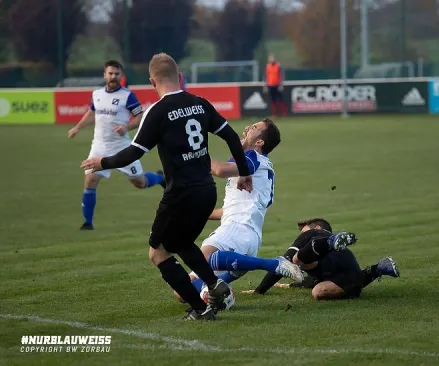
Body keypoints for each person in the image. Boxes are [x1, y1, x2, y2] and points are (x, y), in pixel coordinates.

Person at [81, 52, 256, 321]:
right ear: (180, 78)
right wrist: (244, 173)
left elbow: (132, 154)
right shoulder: (200, 103)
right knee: (181, 242)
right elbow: (232, 137)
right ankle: (214, 285)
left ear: (152, 82)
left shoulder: (158, 112)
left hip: (180, 195)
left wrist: (100, 162)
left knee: (158, 252)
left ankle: (200, 308)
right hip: (206, 191)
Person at [171, 119, 305, 303]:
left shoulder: (253, 158)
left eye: (255, 127)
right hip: (244, 235)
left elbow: (218, 169)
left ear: (260, 142)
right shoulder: (253, 164)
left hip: (239, 230)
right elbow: (229, 210)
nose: (248, 128)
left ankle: (273, 264)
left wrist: (194, 156)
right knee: (182, 292)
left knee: (205, 256)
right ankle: (228, 279)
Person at [68, 60, 165, 230]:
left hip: (121, 147)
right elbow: (92, 112)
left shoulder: (127, 96)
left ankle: (160, 178)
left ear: (121, 76)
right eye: (110, 73)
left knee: (139, 182)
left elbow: (140, 116)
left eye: (116, 74)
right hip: (99, 146)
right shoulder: (97, 94)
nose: (113, 76)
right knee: (90, 179)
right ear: (105, 75)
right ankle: (88, 222)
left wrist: (126, 127)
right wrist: (77, 127)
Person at [245, 218, 400, 300]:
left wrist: (259, 291)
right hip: (353, 282)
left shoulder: (313, 234)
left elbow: (284, 262)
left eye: (303, 230)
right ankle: (377, 268)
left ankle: (328, 244)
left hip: (338, 273)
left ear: (317, 228)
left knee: (295, 259)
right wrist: (290, 286)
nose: (300, 234)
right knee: (317, 289)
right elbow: (311, 279)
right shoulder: (330, 253)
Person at [263, 53, 287, 118]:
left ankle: (284, 114)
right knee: (273, 100)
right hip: (270, 85)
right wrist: (265, 85)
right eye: (270, 58)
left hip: (277, 85)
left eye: (272, 58)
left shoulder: (278, 65)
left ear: (274, 58)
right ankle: (275, 114)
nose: (271, 59)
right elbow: (266, 76)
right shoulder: (267, 66)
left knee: (281, 99)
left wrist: (281, 84)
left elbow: (282, 75)